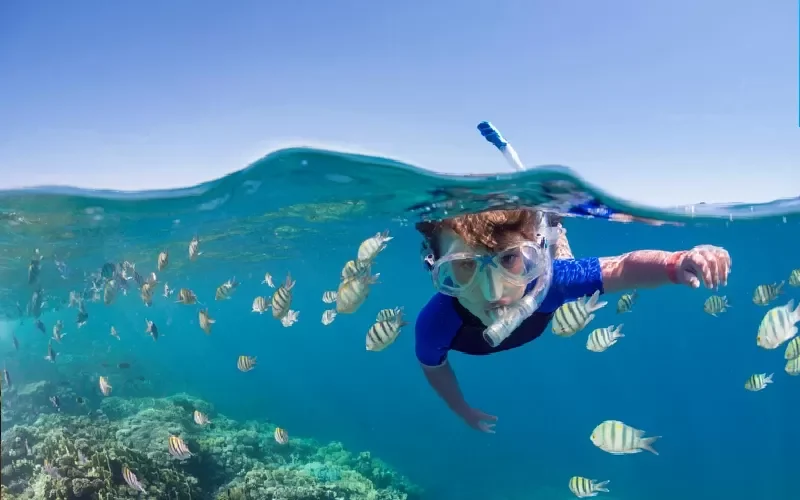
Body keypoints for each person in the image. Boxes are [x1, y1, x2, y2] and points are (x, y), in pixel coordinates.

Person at [414, 208, 731, 433]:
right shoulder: (435, 325)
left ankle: (555, 232)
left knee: (564, 265)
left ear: (529, 255)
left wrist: (676, 262)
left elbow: (623, 268)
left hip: (547, 272)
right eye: (465, 264)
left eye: (509, 258)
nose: (491, 290)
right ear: (435, 267)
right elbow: (435, 369)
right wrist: (460, 408)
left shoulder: (550, 283)